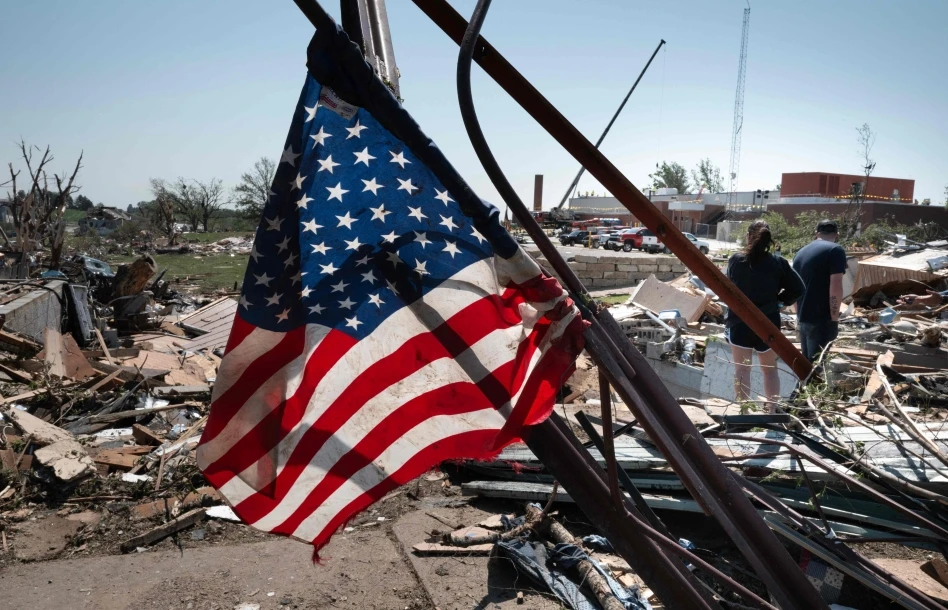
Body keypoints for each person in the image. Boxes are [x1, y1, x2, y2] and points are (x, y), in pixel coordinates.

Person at [725, 220, 805, 404]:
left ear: (748, 237)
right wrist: (779, 302)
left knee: (741, 370)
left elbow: (729, 287)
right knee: (769, 370)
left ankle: (744, 410)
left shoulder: (736, 260)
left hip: (739, 323)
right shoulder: (778, 262)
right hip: (768, 323)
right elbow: (799, 288)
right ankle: (772, 410)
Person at [791, 220, 848, 362]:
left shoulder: (801, 252)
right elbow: (835, 285)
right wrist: (834, 318)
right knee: (817, 367)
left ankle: (802, 385)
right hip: (821, 320)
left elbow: (794, 287)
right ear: (837, 234)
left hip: (803, 317)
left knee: (806, 366)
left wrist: (798, 315)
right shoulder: (836, 250)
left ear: (816, 234)